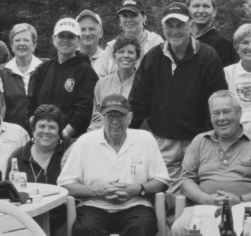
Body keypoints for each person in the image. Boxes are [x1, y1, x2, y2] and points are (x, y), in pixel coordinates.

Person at [130, 2, 229, 180]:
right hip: (164, 143)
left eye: (180, 25)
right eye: (169, 25)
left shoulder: (207, 56)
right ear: (162, 27)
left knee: (201, 190)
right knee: (168, 197)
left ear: (191, 25)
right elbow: (138, 102)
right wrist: (127, 137)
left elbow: (217, 102)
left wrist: (212, 140)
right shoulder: (153, 57)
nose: (174, 31)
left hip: (200, 141)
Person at [170, 91, 251, 236]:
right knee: (179, 227)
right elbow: (185, 180)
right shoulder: (200, 141)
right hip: (204, 208)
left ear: (239, 113)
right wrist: (206, 199)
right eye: (216, 113)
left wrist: (240, 200)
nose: (221, 118)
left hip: (246, 208)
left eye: (226, 112)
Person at [58, 94, 170, 236]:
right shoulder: (85, 142)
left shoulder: (145, 139)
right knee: (85, 229)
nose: (115, 121)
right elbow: (64, 184)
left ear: (130, 117)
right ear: (102, 118)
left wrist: (137, 189)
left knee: (142, 227)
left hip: (136, 205)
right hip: (94, 205)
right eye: (110, 116)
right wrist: (98, 191)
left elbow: (162, 181)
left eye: (121, 116)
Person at [5, 104, 76, 235]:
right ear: (33, 129)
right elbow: (7, 195)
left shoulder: (69, 148)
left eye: (52, 127)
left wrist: (72, 148)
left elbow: (89, 141)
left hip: (63, 218)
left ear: (60, 132)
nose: (46, 131)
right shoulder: (18, 157)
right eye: (41, 126)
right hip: (28, 220)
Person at [27, 18, 99, 138]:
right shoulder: (42, 69)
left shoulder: (85, 71)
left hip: (70, 140)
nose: (65, 40)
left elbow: (84, 112)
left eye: (71, 36)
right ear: (54, 39)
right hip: (42, 138)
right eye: (61, 36)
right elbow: (30, 105)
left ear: (79, 40)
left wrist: (62, 135)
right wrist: (39, 131)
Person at [95, 0, 165, 78]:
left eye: (134, 15)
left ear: (144, 18)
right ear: (120, 19)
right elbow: (100, 78)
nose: (129, 20)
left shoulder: (155, 43)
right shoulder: (111, 47)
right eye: (125, 16)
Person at [0, 23, 45, 132]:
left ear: (34, 44)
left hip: (42, 133)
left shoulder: (46, 67)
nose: (21, 44)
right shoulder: (0, 72)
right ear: (11, 45)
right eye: (17, 40)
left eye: (26, 40)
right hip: (11, 135)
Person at [89, 35, 141, 132]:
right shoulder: (101, 84)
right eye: (121, 52)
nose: (125, 55)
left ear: (137, 57)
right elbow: (97, 118)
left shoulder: (142, 84)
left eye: (130, 52)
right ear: (114, 57)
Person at [187, 0, 239, 66]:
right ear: (188, 11)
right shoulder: (183, 40)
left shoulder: (222, 44)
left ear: (214, 12)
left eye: (206, 6)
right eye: (196, 6)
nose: (201, 11)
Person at [77, 10, 107, 76]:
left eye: (91, 29)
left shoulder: (108, 60)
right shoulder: (69, 58)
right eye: (83, 29)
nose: (87, 34)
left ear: (101, 33)